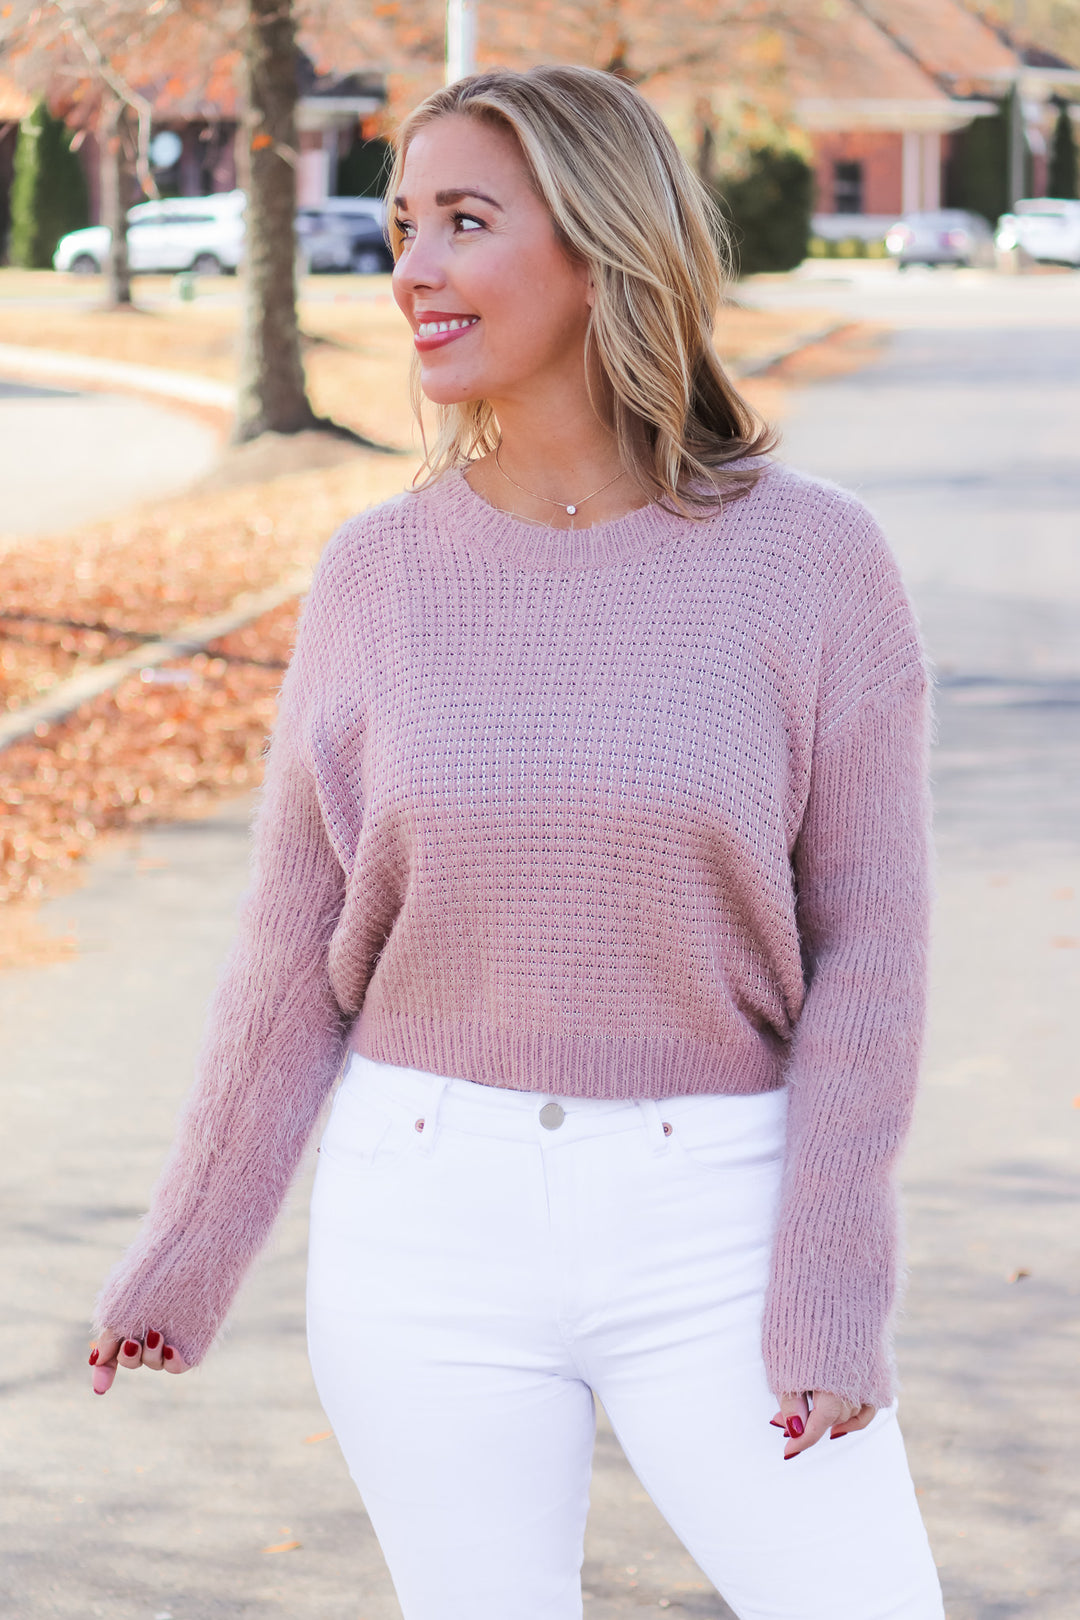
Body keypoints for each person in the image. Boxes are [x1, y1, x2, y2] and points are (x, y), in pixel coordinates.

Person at [90, 65, 945, 1620]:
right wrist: (186, 1253)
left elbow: (873, 951)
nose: (410, 263)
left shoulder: (815, 562)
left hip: (722, 1222)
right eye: (405, 221)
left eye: (464, 221)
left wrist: (831, 1282)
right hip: (425, 1219)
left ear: (605, 246)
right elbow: (294, 952)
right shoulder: (374, 579)